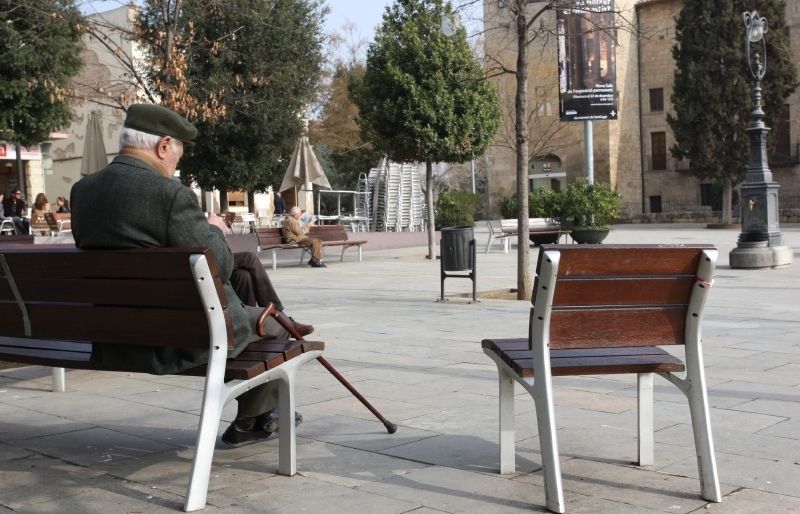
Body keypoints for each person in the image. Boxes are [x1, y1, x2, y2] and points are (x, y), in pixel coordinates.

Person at [70, 103, 309, 447]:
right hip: (170, 339)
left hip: (111, 336)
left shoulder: (83, 191)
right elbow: (218, 265)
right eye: (177, 154)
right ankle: (253, 418)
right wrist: (213, 229)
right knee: (275, 323)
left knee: (245, 305)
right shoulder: (169, 194)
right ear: (163, 145)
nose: (175, 163)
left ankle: (260, 416)